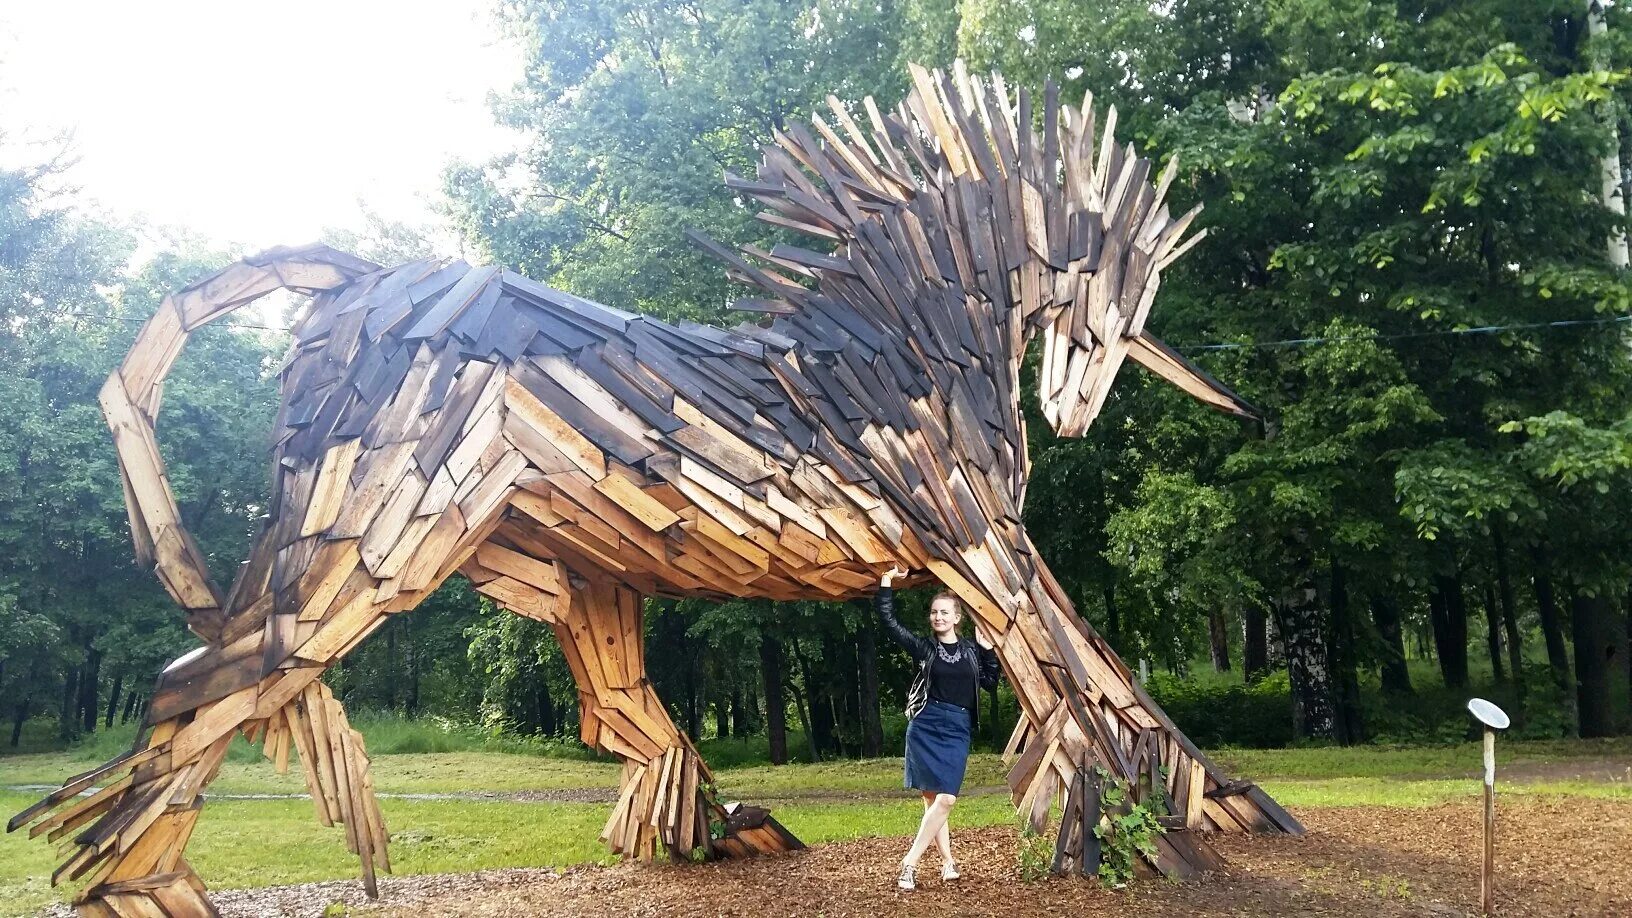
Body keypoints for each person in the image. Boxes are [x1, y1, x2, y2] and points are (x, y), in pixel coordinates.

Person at [876, 566, 1001, 890]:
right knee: (935, 802)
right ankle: (947, 863)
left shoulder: (972, 650)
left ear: (957, 617)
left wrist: (988, 650)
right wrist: (887, 582)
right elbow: (890, 625)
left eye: (944, 612)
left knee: (946, 799)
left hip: (957, 727)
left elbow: (989, 683)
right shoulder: (926, 649)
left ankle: (909, 863)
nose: (938, 617)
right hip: (925, 726)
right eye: (934, 612)